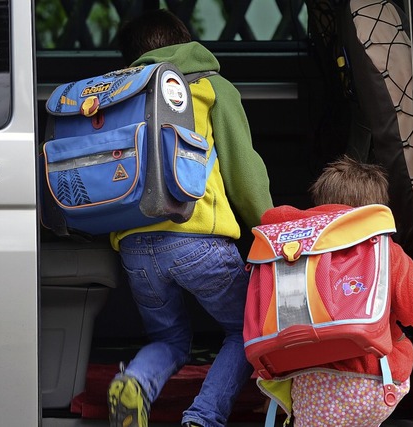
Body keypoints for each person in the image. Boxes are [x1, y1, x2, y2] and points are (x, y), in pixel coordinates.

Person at [107, 9, 274, 427]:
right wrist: (271, 228)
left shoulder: (118, 93)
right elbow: (243, 170)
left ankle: (137, 383)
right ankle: (203, 417)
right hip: (198, 240)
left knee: (169, 339)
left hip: (134, 246)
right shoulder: (210, 87)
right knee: (248, 331)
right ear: (184, 42)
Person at [257, 156, 413, 427]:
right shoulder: (385, 252)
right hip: (372, 384)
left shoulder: (293, 253)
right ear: (375, 210)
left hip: (307, 385)